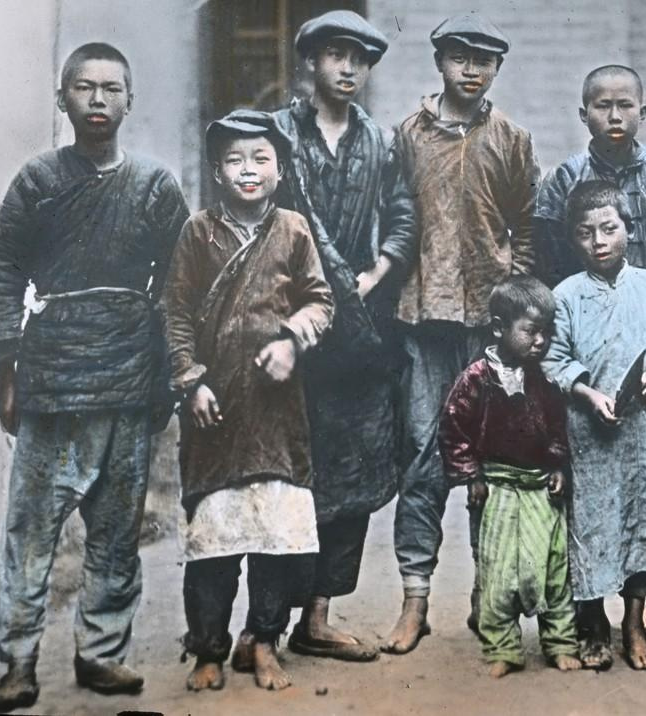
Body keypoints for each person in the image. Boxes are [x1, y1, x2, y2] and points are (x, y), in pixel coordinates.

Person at [0, 42, 189, 712]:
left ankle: (101, 654)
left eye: (112, 89)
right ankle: (18, 659)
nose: (99, 101)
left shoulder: (154, 185)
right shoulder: (36, 182)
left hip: (128, 371)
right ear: (62, 97)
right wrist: (7, 375)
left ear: (130, 100)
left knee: (118, 531)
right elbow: (3, 273)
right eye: (85, 88)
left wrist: (171, 370)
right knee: (31, 528)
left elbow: (182, 282)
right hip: (53, 377)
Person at [224, 10, 415, 666]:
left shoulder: (380, 142)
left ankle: (318, 617)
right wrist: (328, 283)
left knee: (352, 477)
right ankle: (262, 627)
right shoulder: (277, 133)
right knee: (285, 478)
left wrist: (377, 270)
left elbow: (403, 213)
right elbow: (268, 213)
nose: (348, 69)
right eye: (335, 55)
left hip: (357, 333)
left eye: (359, 59)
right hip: (287, 325)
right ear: (311, 62)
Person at [162, 111, 334, 692]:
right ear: (217, 172)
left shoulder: (293, 230)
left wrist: (291, 339)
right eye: (235, 160)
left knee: (273, 541)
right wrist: (191, 381)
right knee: (212, 541)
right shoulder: (197, 232)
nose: (248, 170)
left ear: (280, 169)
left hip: (276, 412)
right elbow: (177, 313)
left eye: (260, 158)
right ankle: (207, 649)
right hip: (215, 411)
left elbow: (320, 302)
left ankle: (263, 642)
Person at [384, 13, 539, 655]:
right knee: (423, 458)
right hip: (422, 325)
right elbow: (392, 219)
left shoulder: (510, 137)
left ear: (497, 68)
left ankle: (488, 601)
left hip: (487, 328)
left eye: (485, 60)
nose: (471, 70)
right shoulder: (407, 136)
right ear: (439, 62)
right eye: (459, 57)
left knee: (493, 463)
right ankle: (414, 603)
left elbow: (526, 223)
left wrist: (512, 291)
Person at [542, 180, 646, 671]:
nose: (599, 241)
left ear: (627, 229)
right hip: (594, 437)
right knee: (594, 526)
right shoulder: (565, 295)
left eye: (609, 228)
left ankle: (634, 624)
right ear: (574, 240)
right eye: (586, 233)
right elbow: (553, 358)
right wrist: (587, 393)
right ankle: (593, 624)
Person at [437, 276, 583, 678]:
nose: (540, 341)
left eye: (547, 333)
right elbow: (454, 430)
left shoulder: (545, 379)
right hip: (498, 486)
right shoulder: (476, 378)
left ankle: (560, 642)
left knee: (554, 569)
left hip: (539, 487)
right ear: (500, 327)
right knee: (499, 572)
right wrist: (472, 476)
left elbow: (557, 427)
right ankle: (502, 646)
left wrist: (557, 466)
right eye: (531, 331)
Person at [534, 65, 646, 301]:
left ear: (643, 112)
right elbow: (548, 256)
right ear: (584, 114)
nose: (615, 117)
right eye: (603, 106)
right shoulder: (566, 176)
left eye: (626, 105)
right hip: (585, 305)